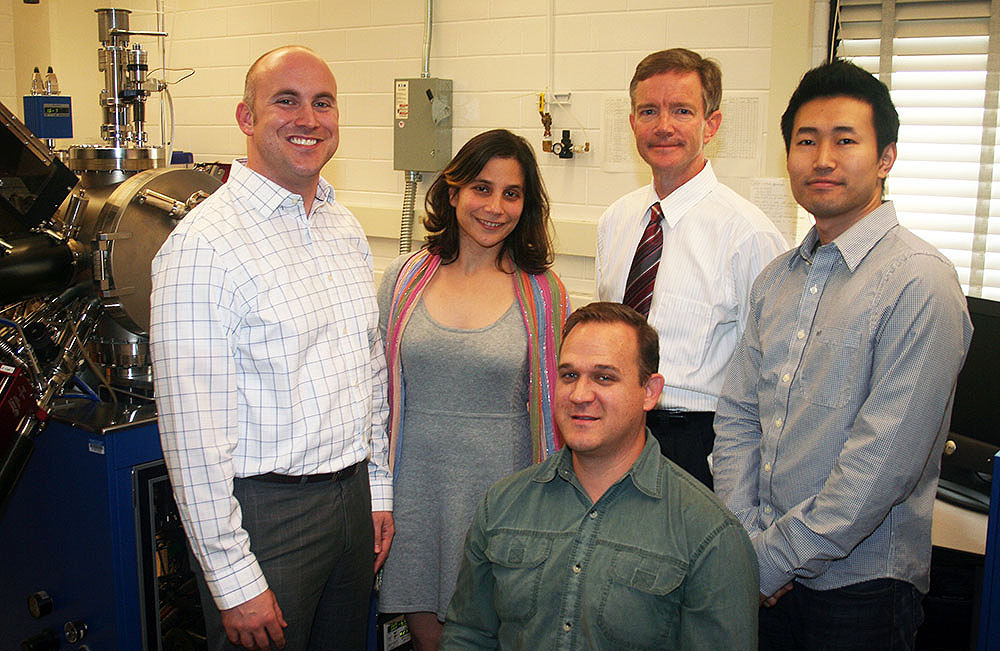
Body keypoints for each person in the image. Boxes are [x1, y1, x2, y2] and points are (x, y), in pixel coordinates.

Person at [712, 59, 973, 650]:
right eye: (806, 141)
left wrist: (770, 561)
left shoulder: (919, 282)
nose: (822, 159)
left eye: (845, 140)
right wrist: (745, 544)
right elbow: (738, 419)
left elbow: (880, 463)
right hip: (760, 568)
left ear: (886, 158)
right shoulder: (776, 279)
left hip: (861, 592)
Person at [150, 46, 393, 651]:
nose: (307, 118)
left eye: (322, 103)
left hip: (351, 499)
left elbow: (367, 373)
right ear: (246, 117)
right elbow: (192, 436)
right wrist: (233, 580)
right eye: (285, 101)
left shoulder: (343, 226)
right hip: (265, 516)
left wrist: (377, 490)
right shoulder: (204, 245)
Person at [440, 302, 759, 650]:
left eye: (604, 377)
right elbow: (468, 635)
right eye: (569, 375)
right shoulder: (502, 506)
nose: (580, 395)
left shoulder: (708, 534)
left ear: (650, 392)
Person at [376, 128, 569, 651]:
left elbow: (557, 412)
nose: (495, 206)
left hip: (502, 496)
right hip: (413, 497)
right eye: (482, 188)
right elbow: (377, 395)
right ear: (454, 190)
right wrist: (377, 494)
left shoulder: (543, 291)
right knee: (430, 643)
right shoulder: (403, 278)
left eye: (512, 193)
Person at [596, 48, 787, 489]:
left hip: (696, 443)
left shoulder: (749, 236)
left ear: (711, 124)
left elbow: (771, 375)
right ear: (632, 123)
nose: (663, 126)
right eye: (649, 111)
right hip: (614, 428)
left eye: (682, 110)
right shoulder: (617, 221)